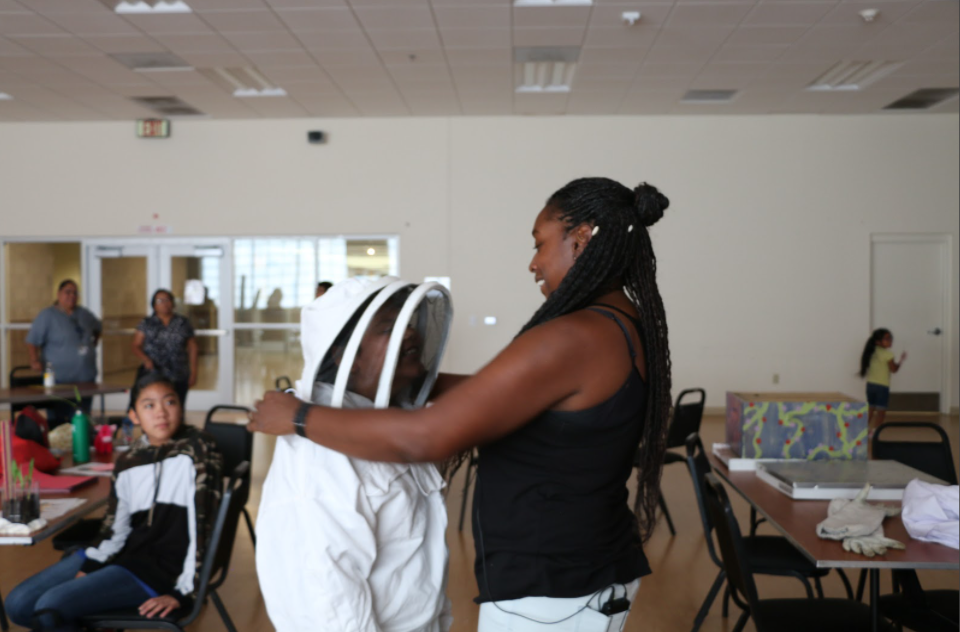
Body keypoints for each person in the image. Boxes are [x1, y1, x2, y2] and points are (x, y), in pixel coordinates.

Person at [249, 177, 673, 631]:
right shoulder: (619, 324)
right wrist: (414, 380)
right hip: (584, 571)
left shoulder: (574, 336)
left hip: (556, 587)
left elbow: (423, 438)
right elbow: (516, 397)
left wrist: (296, 416)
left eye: (540, 243)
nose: (534, 263)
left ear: (582, 237)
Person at [256, 277, 453, 632]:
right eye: (388, 328)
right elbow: (327, 599)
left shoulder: (387, 419)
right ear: (345, 355)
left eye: (407, 322)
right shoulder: (319, 451)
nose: (410, 333)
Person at [4, 373, 222, 632]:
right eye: (149, 405)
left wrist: (185, 592)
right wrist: (91, 565)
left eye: (170, 402)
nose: (161, 413)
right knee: (18, 605)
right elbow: (115, 528)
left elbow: (204, 527)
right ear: (134, 416)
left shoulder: (198, 449)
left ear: (181, 406)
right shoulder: (129, 461)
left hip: (162, 568)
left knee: (50, 608)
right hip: (124, 552)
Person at [25, 279, 102, 428]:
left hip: (85, 378)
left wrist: (93, 344)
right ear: (59, 294)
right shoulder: (47, 315)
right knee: (60, 421)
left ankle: (81, 446)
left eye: (75, 292)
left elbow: (98, 327)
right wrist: (34, 360)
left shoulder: (84, 313)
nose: (72, 295)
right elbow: (32, 341)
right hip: (59, 380)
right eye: (68, 292)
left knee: (82, 419)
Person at [132, 289, 198, 408]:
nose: (164, 303)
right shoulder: (146, 323)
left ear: (172, 303)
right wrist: (145, 359)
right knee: (155, 406)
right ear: (154, 305)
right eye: (160, 301)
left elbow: (192, 347)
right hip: (154, 372)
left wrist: (193, 372)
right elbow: (136, 345)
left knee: (177, 406)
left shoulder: (182, 322)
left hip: (179, 372)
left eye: (167, 300)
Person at [860, 328, 906, 434]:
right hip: (882, 386)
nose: (890, 341)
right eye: (887, 338)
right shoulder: (887, 354)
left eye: (890, 338)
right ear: (877, 341)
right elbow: (894, 369)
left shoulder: (871, 352)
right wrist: (901, 361)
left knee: (870, 408)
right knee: (881, 412)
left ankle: (863, 430)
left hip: (870, 385)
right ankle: (875, 432)